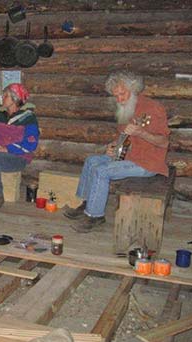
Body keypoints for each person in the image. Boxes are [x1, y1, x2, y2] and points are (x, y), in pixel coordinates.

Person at [63, 71, 170, 233]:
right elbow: (122, 137)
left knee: (102, 171)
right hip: (127, 157)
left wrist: (141, 133)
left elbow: (164, 142)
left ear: (133, 89)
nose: (119, 99)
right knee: (91, 161)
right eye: (116, 96)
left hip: (147, 163)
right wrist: (112, 147)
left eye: (122, 94)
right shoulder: (125, 108)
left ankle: (95, 215)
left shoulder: (152, 108)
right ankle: (87, 202)